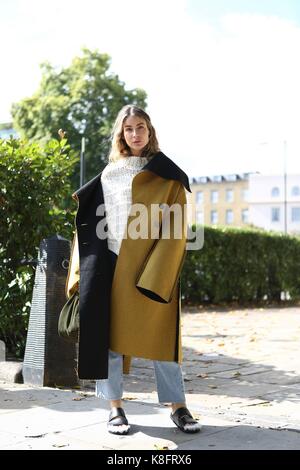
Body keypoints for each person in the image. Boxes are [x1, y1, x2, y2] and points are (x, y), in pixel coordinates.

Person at [66, 105, 201, 435]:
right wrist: (79, 272)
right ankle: (114, 408)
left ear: (150, 131)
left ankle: (178, 407)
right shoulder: (108, 174)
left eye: (141, 127)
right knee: (108, 339)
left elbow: (176, 227)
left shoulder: (167, 175)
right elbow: (88, 224)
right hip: (109, 264)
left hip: (151, 267)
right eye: (129, 129)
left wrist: (159, 273)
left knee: (162, 340)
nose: (136, 133)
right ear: (121, 134)